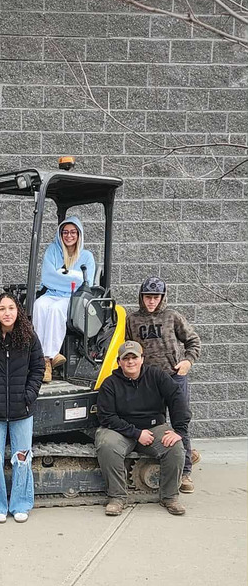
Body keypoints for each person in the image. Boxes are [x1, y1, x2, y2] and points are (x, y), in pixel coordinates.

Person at [95, 340, 191, 517]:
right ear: (119, 362)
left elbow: (177, 399)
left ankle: (169, 496)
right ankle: (117, 497)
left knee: (175, 447)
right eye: (126, 358)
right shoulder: (110, 384)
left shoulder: (157, 376)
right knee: (107, 445)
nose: (130, 362)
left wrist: (179, 431)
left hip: (153, 428)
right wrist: (136, 433)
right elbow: (106, 417)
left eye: (134, 357)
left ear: (142, 359)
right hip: (120, 431)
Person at [125, 277, 201, 493]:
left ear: (162, 297)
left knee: (179, 422)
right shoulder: (132, 320)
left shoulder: (172, 316)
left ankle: (185, 471)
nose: (151, 301)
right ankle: (164, 458)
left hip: (173, 377)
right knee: (154, 423)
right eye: (147, 297)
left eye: (156, 297)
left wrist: (188, 361)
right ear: (141, 297)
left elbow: (193, 340)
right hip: (148, 381)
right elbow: (128, 347)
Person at [0, 293, 45, 523]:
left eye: (11, 308)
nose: (7, 313)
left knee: (22, 457)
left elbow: (38, 369)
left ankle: (20, 504)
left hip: (21, 410)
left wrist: (29, 396)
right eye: (2, 308)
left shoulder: (28, 337)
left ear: (18, 311)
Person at [32, 215, 96, 383]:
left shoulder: (87, 256)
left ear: (79, 234)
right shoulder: (52, 251)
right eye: (65, 232)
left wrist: (60, 275)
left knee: (56, 309)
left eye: (73, 232)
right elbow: (48, 277)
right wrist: (72, 277)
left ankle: (47, 358)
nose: (69, 235)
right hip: (51, 293)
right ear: (60, 234)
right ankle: (40, 354)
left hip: (74, 297)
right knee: (39, 305)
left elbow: (86, 282)